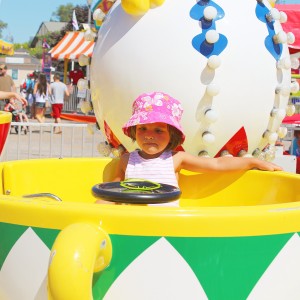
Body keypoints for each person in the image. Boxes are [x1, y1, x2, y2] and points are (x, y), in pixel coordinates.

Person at [96, 92, 282, 206]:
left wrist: (252, 161)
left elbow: (217, 164)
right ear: (134, 131)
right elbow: (113, 193)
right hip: (134, 225)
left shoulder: (176, 159)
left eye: (159, 130)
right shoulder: (127, 161)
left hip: (167, 226)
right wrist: (97, 208)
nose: (149, 135)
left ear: (172, 135)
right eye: (142, 128)